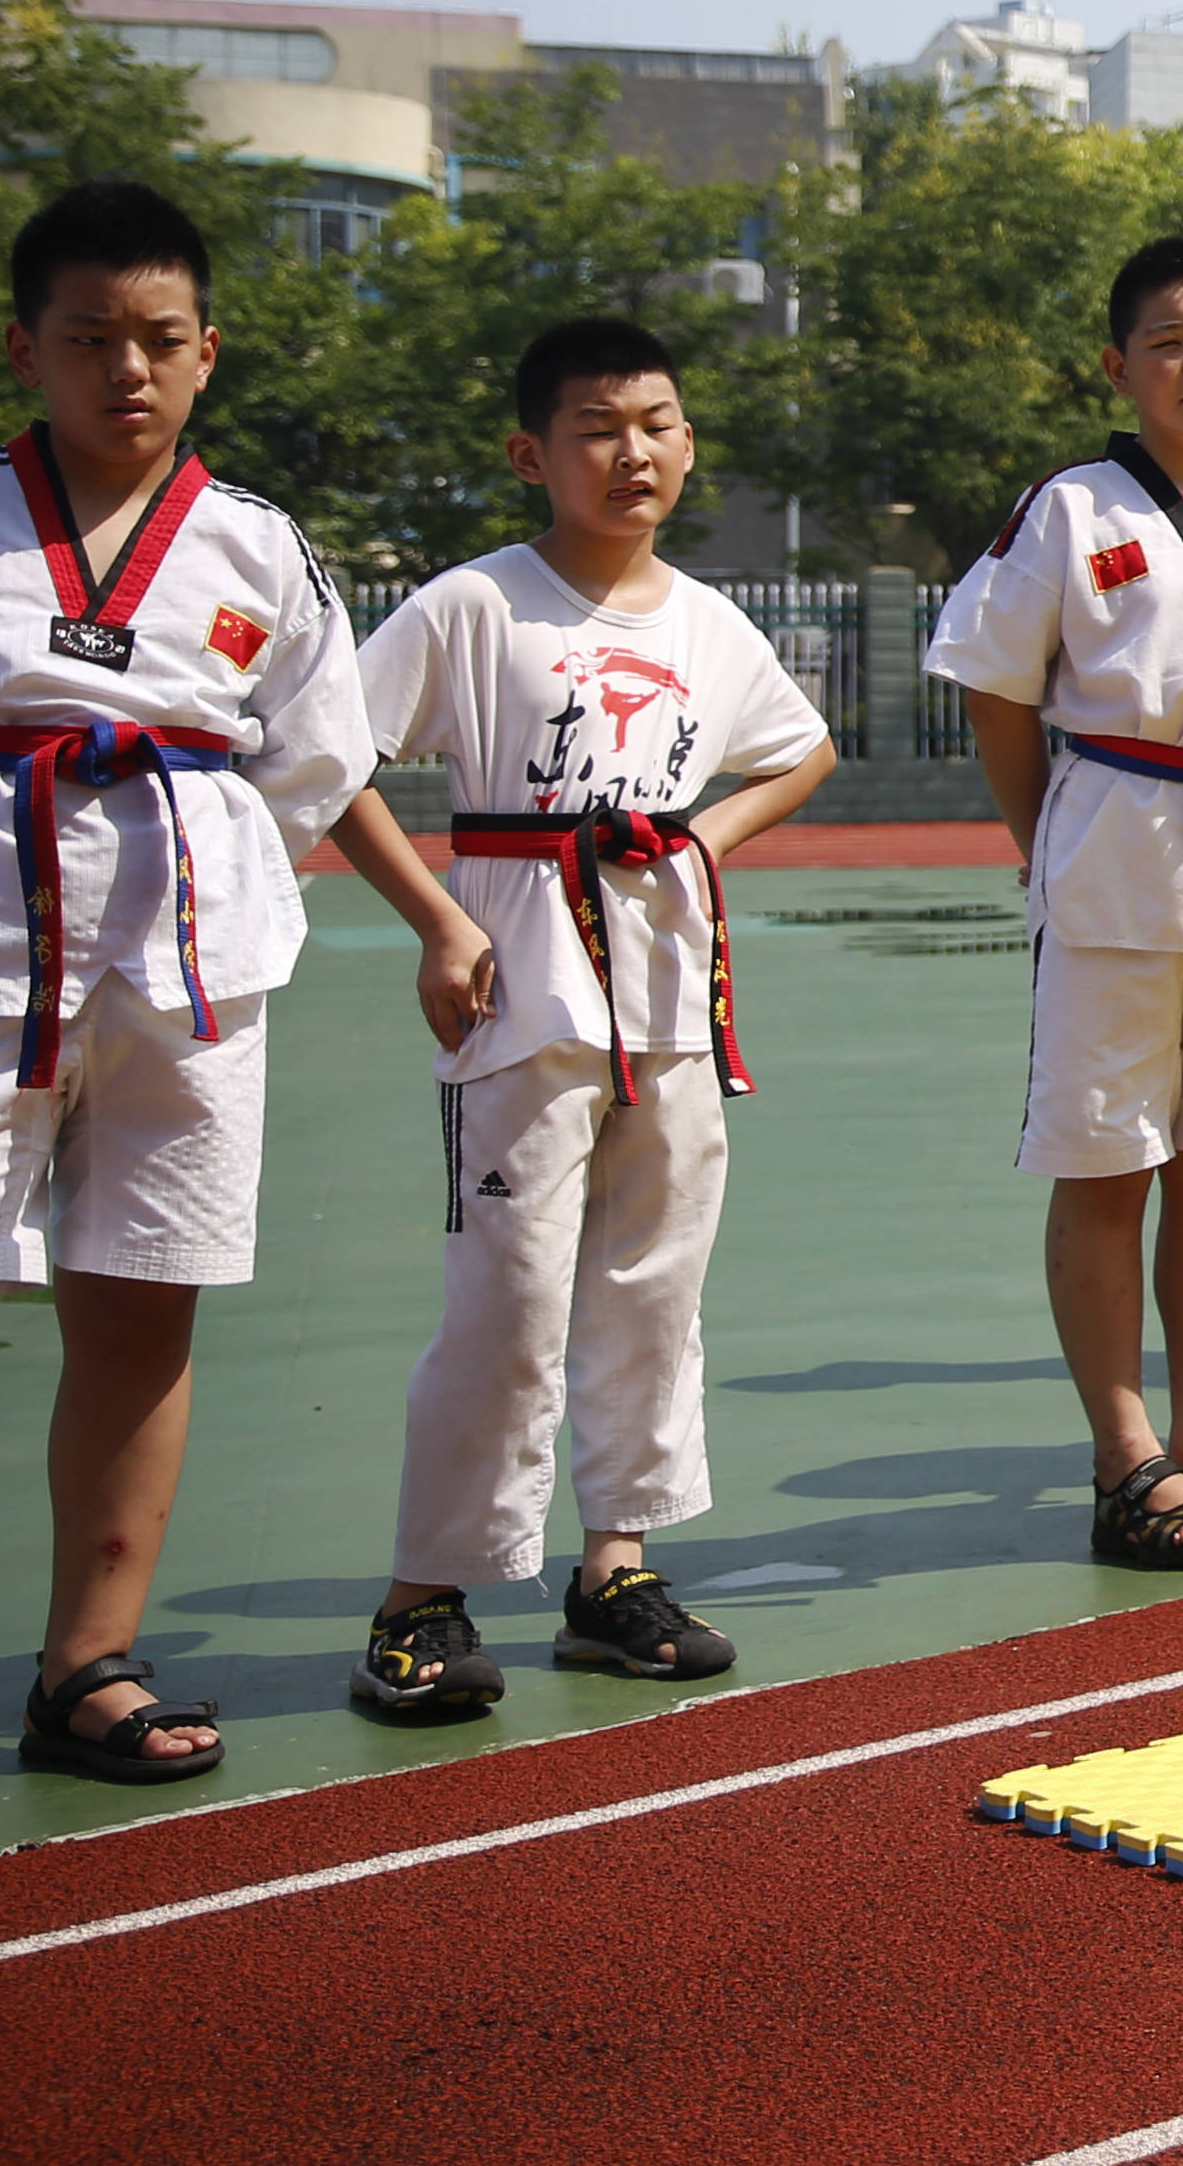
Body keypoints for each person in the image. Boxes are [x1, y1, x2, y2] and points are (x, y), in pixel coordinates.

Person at [0, 179, 375, 1781]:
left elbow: (314, 764)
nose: (128, 367)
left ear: (207, 353)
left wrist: (197, 867)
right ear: (24, 347)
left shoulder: (257, 546)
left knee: (139, 1303)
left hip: (180, 965)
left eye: (160, 339)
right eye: (90, 335)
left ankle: (83, 1665)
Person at [324, 316, 839, 1709]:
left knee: (654, 1286)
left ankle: (614, 1566)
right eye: (601, 426)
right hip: (521, 989)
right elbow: (331, 758)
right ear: (531, 451)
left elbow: (801, 747)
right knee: (506, 1296)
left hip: (668, 992)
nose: (635, 451)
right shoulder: (476, 605)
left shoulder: (708, 621)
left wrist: (702, 841)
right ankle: (422, 1596)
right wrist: (439, 916)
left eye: (659, 422)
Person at [927, 236, 1183, 1567]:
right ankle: (1126, 1453)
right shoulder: (1073, 508)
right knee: (1110, 1157)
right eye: (1167, 340)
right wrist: (1042, 832)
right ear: (1120, 365)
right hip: (1116, 834)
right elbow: (996, 684)